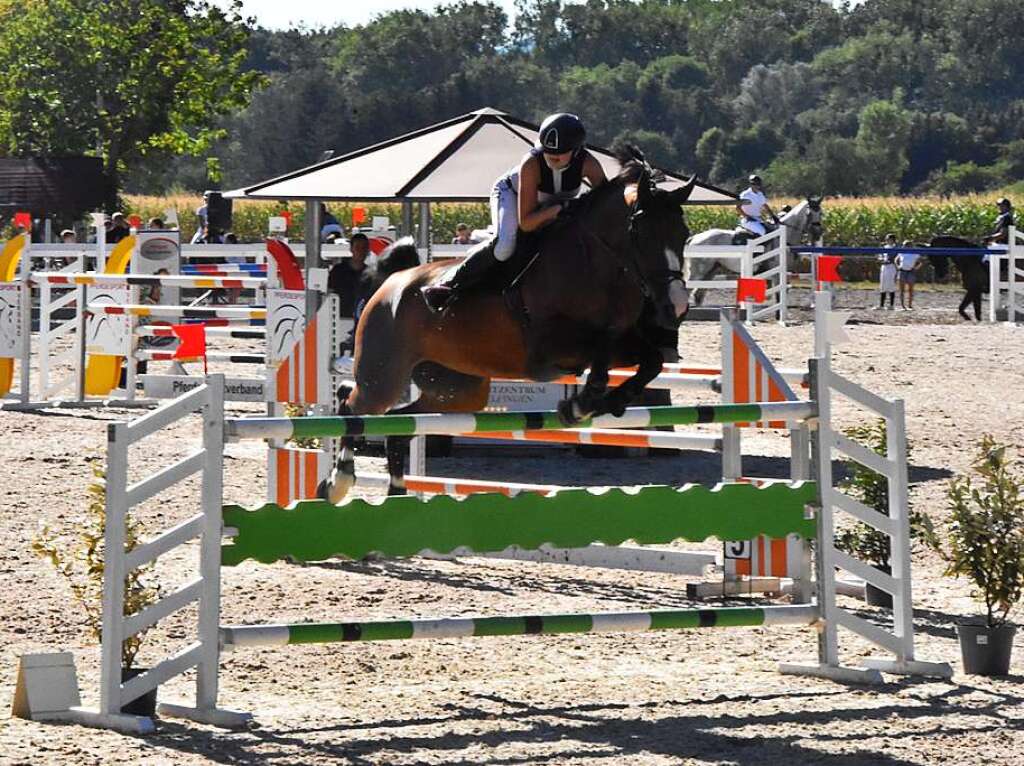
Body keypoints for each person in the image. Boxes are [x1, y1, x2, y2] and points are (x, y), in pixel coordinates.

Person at [422, 112, 607, 311]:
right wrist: (559, 209)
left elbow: (606, 201)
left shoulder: (589, 164)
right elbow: (526, 223)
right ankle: (449, 283)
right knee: (504, 247)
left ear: (577, 150)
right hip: (511, 195)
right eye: (547, 150)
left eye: (561, 152)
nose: (552, 156)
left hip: (551, 207)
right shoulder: (531, 164)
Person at [328, 232, 371, 318]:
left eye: (364, 248)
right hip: (339, 319)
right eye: (357, 247)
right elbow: (329, 294)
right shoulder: (338, 271)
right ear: (351, 249)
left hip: (362, 321)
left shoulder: (371, 274)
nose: (361, 251)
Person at [895, 241, 921, 310]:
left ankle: (910, 305)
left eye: (906, 245)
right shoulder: (901, 253)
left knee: (911, 289)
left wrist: (915, 268)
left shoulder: (915, 253)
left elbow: (920, 262)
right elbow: (896, 260)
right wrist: (897, 266)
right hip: (902, 271)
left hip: (910, 272)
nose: (904, 247)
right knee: (901, 289)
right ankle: (902, 305)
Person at [876, 233, 898, 310]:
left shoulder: (895, 248)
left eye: (889, 239)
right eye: (887, 239)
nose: (888, 241)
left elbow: (894, 258)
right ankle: (881, 305)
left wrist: (889, 260)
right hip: (884, 267)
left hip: (891, 267)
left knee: (891, 285)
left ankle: (891, 305)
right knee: (883, 286)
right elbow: (879, 256)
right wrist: (881, 259)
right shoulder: (884, 247)